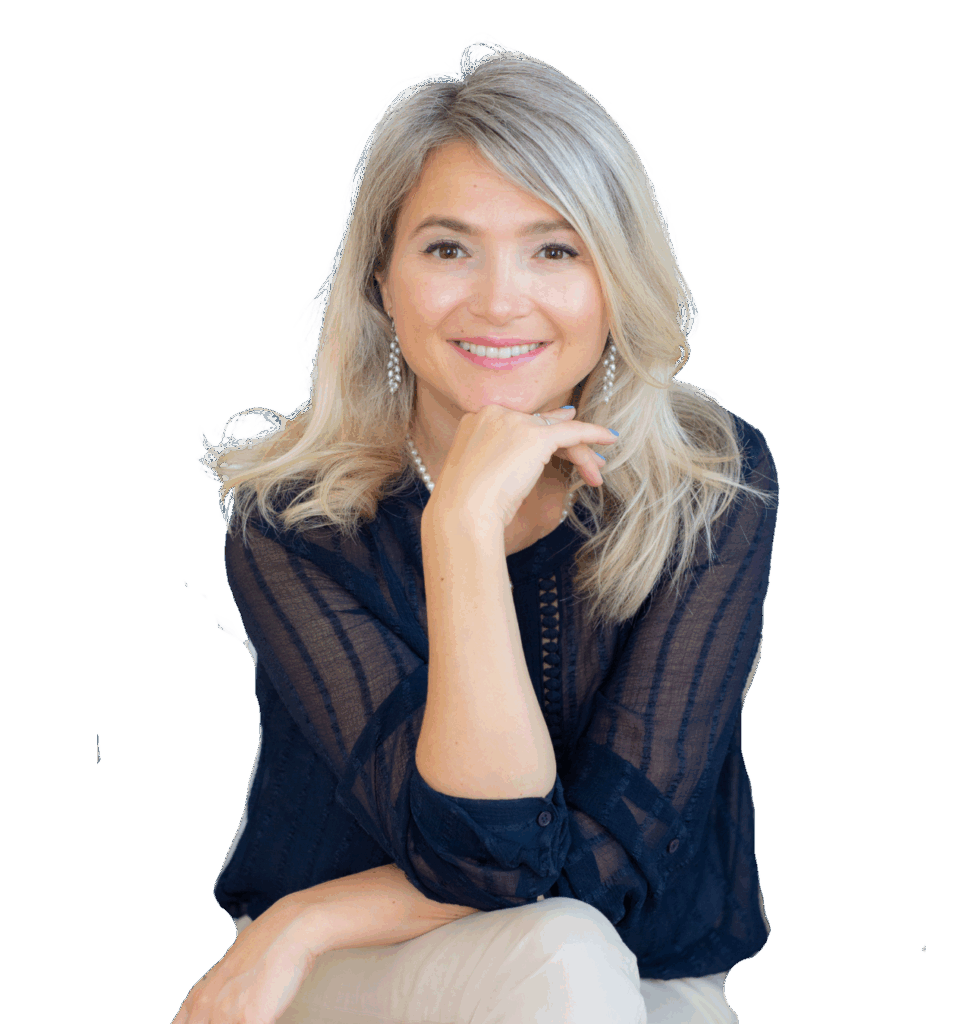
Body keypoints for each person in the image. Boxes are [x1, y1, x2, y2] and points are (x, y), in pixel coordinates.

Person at [178, 35, 779, 1024]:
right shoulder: (293, 516)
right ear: (381, 279)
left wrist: (306, 920)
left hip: (629, 978)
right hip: (368, 984)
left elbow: (606, 863)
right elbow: (487, 857)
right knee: (561, 953)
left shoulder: (709, 480)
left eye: (554, 249)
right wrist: (460, 526)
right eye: (448, 248)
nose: (500, 301)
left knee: (577, 957)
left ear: (614, 276)